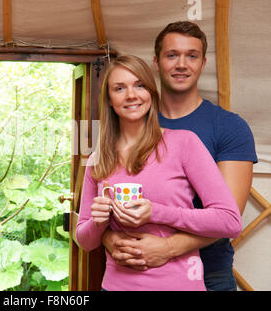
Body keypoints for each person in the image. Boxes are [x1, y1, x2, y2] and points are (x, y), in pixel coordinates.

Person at [101, 21, 257, 291]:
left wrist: (167, 248)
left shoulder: (229, 127)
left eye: (192, 56)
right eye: (172, 55)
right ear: (156, 62)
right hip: (132, 273)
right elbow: (100, 201)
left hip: (210, 272)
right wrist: (110, 239)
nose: (182, 64)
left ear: (203, 63)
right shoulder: (131, 115)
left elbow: (229, 216)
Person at [75, 54, 242, 291]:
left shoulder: (184, 144)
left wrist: (156, 212)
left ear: (151, 94)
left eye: (139, 85)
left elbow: (230, 221)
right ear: (110, 100)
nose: (131, 95)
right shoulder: (98, 159)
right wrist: (98, 222)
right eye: (119, 88)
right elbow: (85, 240)